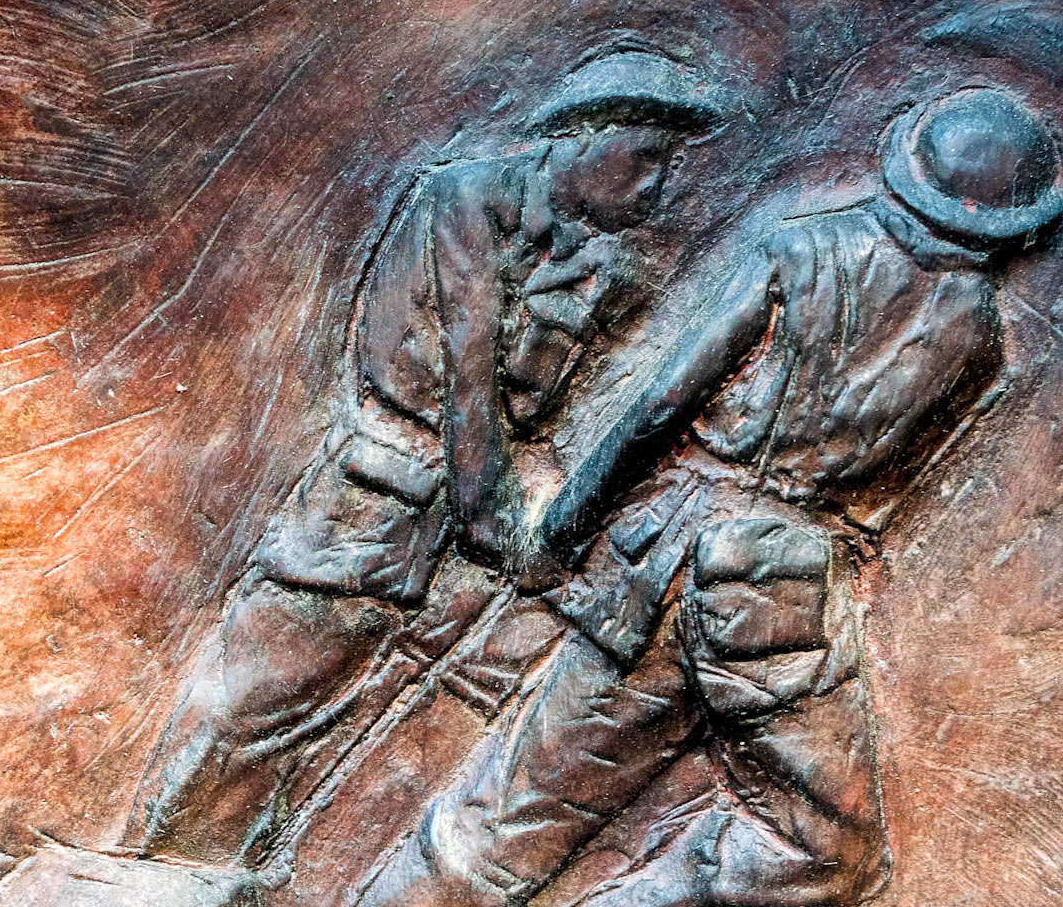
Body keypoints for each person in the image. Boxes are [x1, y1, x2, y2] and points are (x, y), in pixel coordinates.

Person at [306, 84, 1063, 907]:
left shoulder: (801, 254)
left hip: (677, 567)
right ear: (1009, 225)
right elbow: (874, 504)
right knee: (827, 839)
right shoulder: (978, 335)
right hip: (778, 596)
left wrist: (564, 527)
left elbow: (664, 403)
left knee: (509, 817)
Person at [128, 44, 729, 864]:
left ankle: (225, 870)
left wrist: (549, 524)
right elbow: (469, 381)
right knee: (253, 696)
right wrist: (505, 535)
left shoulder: (604, 268)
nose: (658, 186)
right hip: (373, 497)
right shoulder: (466, 201)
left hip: (460, 529)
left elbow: (542, 422)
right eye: (649, 157)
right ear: (588, 135)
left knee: (341, 717)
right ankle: (146, 859)